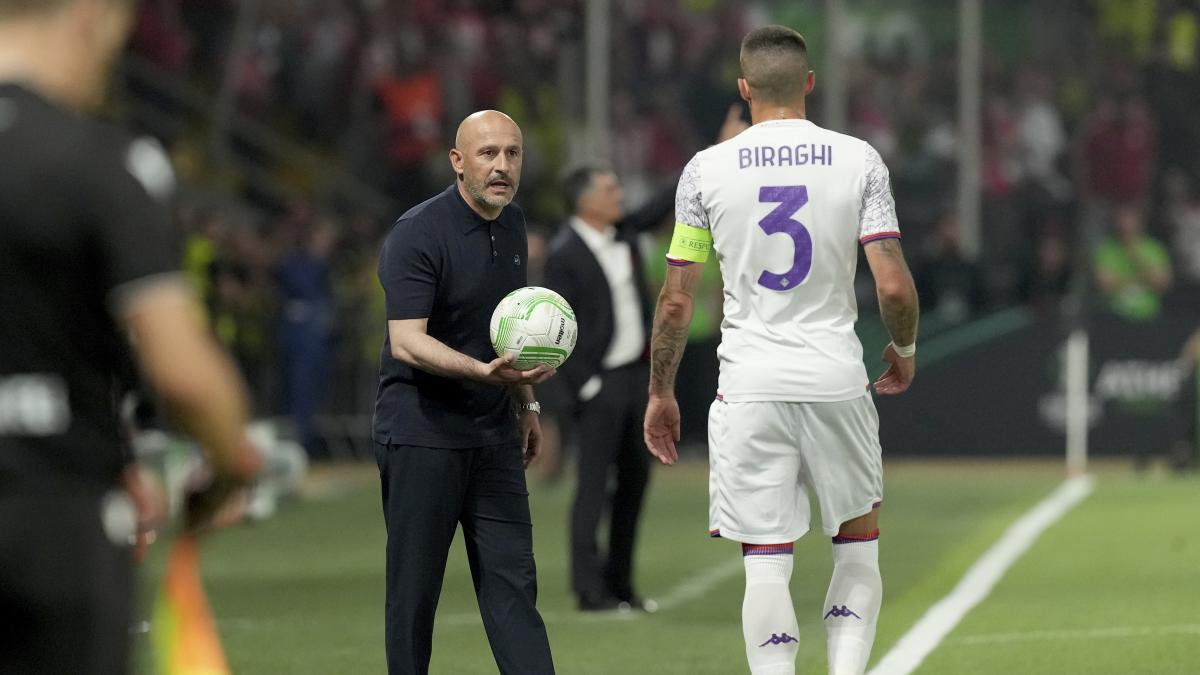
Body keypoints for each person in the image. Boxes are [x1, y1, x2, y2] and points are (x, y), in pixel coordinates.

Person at [644, 26, 920, 675]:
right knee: (857, 546)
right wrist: (903, 347)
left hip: (749, 384)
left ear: (744, 89)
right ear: (810, 84)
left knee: (766, 561)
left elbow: (677, 301)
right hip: (835, 377)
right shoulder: (859, 160)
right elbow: (893, 283)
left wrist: (660, 389)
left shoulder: (705, 170)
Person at [0, 1, 262, 673]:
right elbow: (181, 371)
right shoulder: (100, 161)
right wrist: (230, 462)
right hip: (53, 517)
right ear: (90, 17)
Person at [373, 110, 556, 675]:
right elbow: (406, 343)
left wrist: (523, 404)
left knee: (514, 587)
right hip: (421, 434)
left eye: (512, 153)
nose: (502, 166)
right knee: (414, 596)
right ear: (457, 162)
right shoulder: (417, 233)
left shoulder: (514, 222)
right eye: (487, 154)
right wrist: (482, 374)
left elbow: (508, 329)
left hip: (493, 436)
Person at [546, 108, 748, 612]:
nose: (619, 195)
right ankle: (587, 590)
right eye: (609, 189)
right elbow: (552, 325)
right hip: (598, 385)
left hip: (638, 381)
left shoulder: (626, 234)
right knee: (591, 487)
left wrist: (716, 152)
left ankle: (622, 586)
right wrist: (580, 386)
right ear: (584, 201)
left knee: (635, 486)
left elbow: (664, 202)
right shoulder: (563, 252)